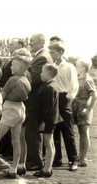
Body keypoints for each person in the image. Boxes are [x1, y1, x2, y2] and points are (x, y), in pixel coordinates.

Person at [0, 49, 31, 179]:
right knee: (16, 140)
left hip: (10, 108)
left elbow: (2, 96)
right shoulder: (26, 79)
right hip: (20, 109)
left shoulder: (12, 79)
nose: (10, 66)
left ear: (20, 67)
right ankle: (14, 168)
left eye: (13, 64)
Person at [24, 34, 53, 171]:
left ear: (41, 42)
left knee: (32, 131)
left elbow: (34, 80)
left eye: (32, 41)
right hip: (36, 99)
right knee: (31, 131)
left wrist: (25, 70)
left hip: (36, 99)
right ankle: (35, 159)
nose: (30, 43)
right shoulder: (39, 56)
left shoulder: (42, 57)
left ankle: (36, 160)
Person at [49, 42, 79, 171]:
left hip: (63, 98)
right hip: (53, 98)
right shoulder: (52, 66)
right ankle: (57, 159)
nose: (52, 55)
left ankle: (73, 160)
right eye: (51, 52)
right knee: (54, 129)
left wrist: (68, 97)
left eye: (54, 52)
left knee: (68, 130)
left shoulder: (68, 66)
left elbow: (74, 84)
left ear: (61, 52)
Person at [33, 64, 59, 177]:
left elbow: (47, 108)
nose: (41, 74)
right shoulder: (51, 85)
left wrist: (43, 122)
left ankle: (47, 169)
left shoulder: (49, 87)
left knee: (48, 143)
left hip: (48, 120)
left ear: (49, 73)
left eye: (43, 72)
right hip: (50, 119)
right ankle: (48, 167)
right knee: (50, 143)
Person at [71, 58, 97, 167]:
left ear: (83, 67)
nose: (76, 67)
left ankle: (84, 158)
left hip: (84, 108)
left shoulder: (88, 80)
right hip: (76, 108)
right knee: (80, 133)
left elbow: (94, 96)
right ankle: (80, 155)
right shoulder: (77, 78)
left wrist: (88, 109)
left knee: (84, 132)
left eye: (77, 65)